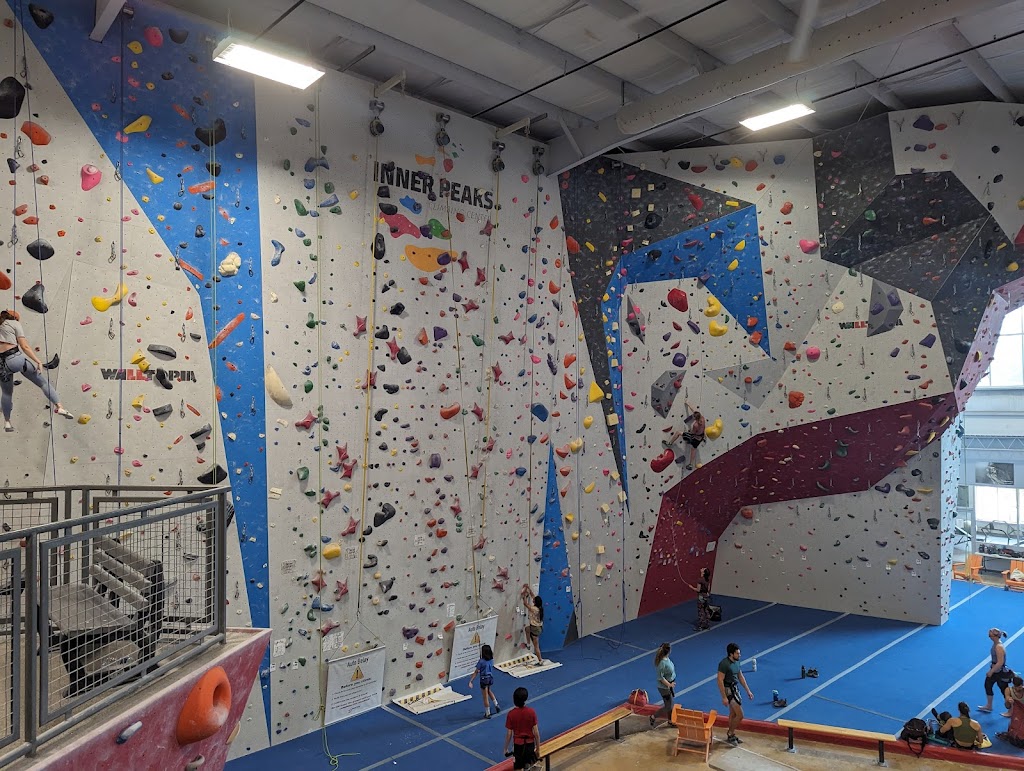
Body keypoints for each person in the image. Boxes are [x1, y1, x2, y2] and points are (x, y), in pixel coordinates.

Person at [0, 309, 72, 431]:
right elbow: (24, 346)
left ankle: (7, 422)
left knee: (6, 393)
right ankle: (60, 407)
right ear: (14, 318)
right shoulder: (15, 324)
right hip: (14, 359)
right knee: (42, 383)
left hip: (1, 365)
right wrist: (38, 361)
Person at [717, 641, 753, 746]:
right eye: (737, 653)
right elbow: (719, 680)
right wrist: (724, 697)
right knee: (740, 715)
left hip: (735, 688)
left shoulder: (737, 662)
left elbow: (740, 676)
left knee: (733, 714)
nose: (739, 655)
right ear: (731, 654)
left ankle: (731, 735)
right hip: (729, 690)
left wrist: (748, 690)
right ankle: (730, 732)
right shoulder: (724, 664)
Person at [503, 686, 540, 771]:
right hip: (529, 744)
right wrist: (538, 748)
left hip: (518, 745)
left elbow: (509, 734)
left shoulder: (511, 714)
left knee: (518, 767)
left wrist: (505, 748)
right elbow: (536, 733)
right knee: (530, 766)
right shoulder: (531, 712)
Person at [662, 400, 705, 469]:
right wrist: (688, 404)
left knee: (678, 433)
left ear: (695, 418)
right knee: (693, 449)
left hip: (694, 437)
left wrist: (687, 431)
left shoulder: (695, 425)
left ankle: (670, 443)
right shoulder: (702, 418)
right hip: (701, 437)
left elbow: (692, 433)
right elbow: (694, 411)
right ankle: (690, 464)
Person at [979, 627, 1012, 713]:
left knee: (1004, 691)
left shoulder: (998, 647)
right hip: (996, 670)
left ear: (995, 636)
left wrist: (991, 671)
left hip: (999, 672)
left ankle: (1011, 710)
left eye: (990, 636)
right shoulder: (996, 644)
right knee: (988, 685)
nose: (989, 637)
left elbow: (1000, 662)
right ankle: (989, 705)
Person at [468, 643, 500, 719]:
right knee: (489, 691)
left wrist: (471, 681)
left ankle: (488, 713)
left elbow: (476, 672)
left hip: (484, 679)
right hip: (490, 678)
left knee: (485, 697)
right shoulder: (491, 660)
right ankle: (496, 704)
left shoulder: (481, 661)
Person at [650, 642, 676, 727]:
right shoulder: (662, 663)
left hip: (669, 685)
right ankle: (653, 716)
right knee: (668, 706)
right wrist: (669, 685)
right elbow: (660, 678)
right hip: (664, 688)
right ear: (669, 651)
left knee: (670, 704)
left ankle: (670, 720)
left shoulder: (666, 659)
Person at [521, 584, 544, 666]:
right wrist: (528, 588)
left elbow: (525, 604)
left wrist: (524, 595)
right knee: (527, 629)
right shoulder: (540, 607)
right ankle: (528, 644)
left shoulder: (534, 609)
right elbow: (533, 596)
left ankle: (540, 660)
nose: (533, 600)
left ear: (535, 602)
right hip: (538, 627)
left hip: (535, 628)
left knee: (536, 646)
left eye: (534, 601)